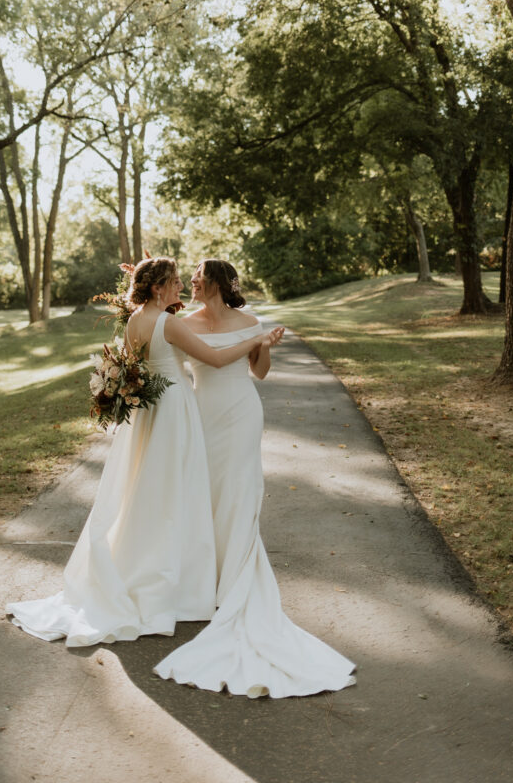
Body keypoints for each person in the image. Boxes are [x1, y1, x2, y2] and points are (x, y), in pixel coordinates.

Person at [6, 257, 275, 647]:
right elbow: (214, 359)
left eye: (187, 280)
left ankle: (141, 566)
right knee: (177, 491)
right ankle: (175, 579)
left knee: (143, 489)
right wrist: (255, 340)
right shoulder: (168, 323)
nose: (182, 287)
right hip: (176, 409)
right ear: (157, 287)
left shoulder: (135, 321)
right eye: (176, 282)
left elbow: (135, 368)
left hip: (149, 413)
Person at [154, 259, 356, 698]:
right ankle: (202, 579)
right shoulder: (183, 323)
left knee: (240, 494)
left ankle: (236, 581)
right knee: (204, 495)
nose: (190, 282)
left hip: (242, 413)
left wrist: (265, 344)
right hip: (202, 415)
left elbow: (259, 372)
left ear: (217, 283)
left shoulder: (250, 320)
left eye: (196, 278)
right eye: (186, 278)